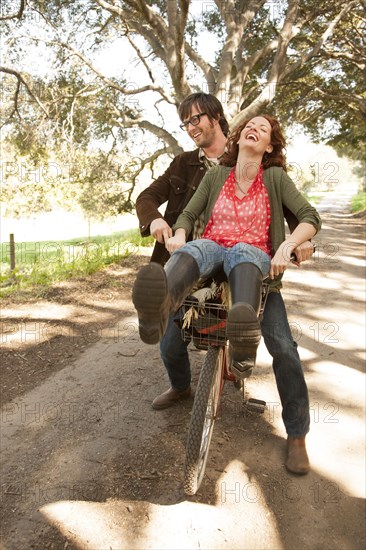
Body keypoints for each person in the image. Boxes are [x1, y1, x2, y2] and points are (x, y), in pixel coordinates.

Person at [135, 93, 318, 474]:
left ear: (271, 146)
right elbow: (187, 214)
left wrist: (291, 244)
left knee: (283, 346)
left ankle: (296, 433)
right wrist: (179, 233)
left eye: (262, 128)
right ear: (237, 137)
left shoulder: (276, 178)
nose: (253, 128)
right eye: (250, 125)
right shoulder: (214, 173)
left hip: (254, 267)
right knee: (199, 249)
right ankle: (157, 307)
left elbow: (307, 216)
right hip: (210, 256)